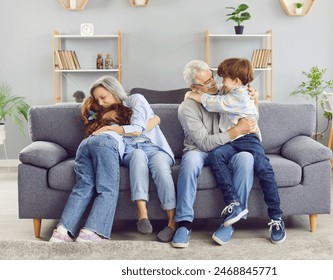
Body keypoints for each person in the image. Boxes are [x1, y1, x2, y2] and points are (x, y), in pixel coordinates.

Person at [49, 76, 176, 243]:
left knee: (85, 185)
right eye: (97, 99)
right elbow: (135, 128)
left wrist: (111, 127)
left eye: (103, 97)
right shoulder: (102, 112)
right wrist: (151, 121)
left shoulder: (134, 100)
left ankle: (173, 223)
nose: (100, 103)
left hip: (144, 145)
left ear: (114, 90)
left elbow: (138, 129)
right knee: (117, 177)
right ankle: (134, 217)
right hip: (121, 147)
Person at [185, 58, 286, 244]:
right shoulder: (234, 90)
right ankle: (233, 203)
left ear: (236, 81)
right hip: (233, 139)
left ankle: (276, 217)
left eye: (224, 79)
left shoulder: (238, 96)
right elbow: (221, 96)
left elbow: (214, 103)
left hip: (248, 139)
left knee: (264, 168)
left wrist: (193, 95)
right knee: (216, 156)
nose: (220, 82)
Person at [171, 60, 257, 248]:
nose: (214, 85)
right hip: (200, 149)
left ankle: (231, 219)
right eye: (207, 83)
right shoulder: (186, 108)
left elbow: (245, 102)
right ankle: (184, 224)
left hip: (229, 147)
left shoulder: (224, 92)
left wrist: (253, 97)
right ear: (194, 87)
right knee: (190, 162)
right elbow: (204, 143)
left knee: (246, 158)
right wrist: (236, 131)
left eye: (212, 79)